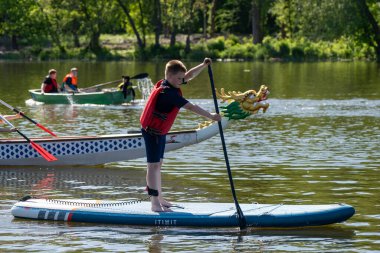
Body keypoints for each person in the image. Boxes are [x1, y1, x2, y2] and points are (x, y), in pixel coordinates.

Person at [140, 58, 222, 212]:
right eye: (179, 79)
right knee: (152, 166)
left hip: (161, 132)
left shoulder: (171, 82)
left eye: (181, 78)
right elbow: (191, 107)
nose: (182, 81)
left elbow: (189, 75)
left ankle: (160, 198)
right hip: (151, 132)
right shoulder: (168, 93)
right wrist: (211, 116)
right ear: (170, 76)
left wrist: (203, 65)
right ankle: (154, 203)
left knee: (159, 165)